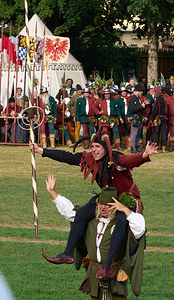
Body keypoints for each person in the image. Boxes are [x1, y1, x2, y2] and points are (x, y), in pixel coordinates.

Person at [29, 131, 158, 278]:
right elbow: (68, 157)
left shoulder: (116, 159)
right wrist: (41, 150)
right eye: (92, 146)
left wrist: (144, 154)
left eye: (98, 146)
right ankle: (68, 253)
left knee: (121, 220)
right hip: (106, 196)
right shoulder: (89, 158)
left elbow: (131, 161)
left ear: (105, 148)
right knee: (82, 213)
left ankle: (107, 264)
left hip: (125, 198)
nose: (94, 150)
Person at [42, 175, 146, 299]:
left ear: (115, 206)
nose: (103, 207)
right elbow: (70, 212)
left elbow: (140, 228)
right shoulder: (90, 221)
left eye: (108, 205)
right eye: (101, 204)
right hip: (94, 272)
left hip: (115, 272)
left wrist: (125, 210)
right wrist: (53, 192)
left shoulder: (124, 224)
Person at [127, 85, 150, 153]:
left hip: (139, 118)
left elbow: (139, 107)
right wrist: (141, 106)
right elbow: (132, 109)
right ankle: (133, 147)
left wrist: (145, 105)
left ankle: (136, 146)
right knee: (134, 134)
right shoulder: (133, 99)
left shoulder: (137, 99)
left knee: (138, 133)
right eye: (140, 91)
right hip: (135, 118)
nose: (142, 93)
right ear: (136, 92)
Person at [150, 86, 168, 153]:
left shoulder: (157, 101)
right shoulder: (164, 99)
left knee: (155, 133)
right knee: (163, 133)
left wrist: (151, 119)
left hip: (157, 118)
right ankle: (163, 149)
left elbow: (155, 110)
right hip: (164, 117)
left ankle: (155, 148)